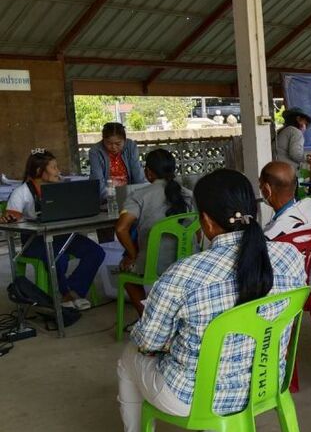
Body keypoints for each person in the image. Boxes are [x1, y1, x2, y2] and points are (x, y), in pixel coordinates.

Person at [116, 169, 306, 432]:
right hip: (265, 385)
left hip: (190, 397)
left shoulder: (184, 274)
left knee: (128, 358)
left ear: (205, 221)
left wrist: (170, 338)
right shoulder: (289, 257)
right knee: (229, 357)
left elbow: (149, 343)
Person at [1, 149, 104, 311]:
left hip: (62, 236)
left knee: (96, 252)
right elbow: (11, 218)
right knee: (58, 258)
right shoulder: (21, 192)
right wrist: (9, 218)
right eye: (54, 167)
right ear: (39, 171)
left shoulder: (61, 189)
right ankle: (65, 295)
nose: (58, 171)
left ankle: (74, 290)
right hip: (34, 241)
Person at [115, 149, 194, 315]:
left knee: (124, 269)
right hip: (189, 263)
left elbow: (121, 229)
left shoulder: (139, 196)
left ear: (148, 172)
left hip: (154, 265)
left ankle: (147, 317)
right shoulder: (189, 195)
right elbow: (198, 232)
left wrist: (133, 255)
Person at [258, 161, 311, 240]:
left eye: (260, 184)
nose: (260, 187)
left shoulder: (271, 235)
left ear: (267, 189)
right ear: (295, 185)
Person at [88, 122, 146, 196]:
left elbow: (138, 174)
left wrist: (141, 193)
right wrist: (110, 198)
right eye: (109, 143)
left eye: (118, 144)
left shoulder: (131, 146)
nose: (113, 147)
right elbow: (98, 181)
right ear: (103, 140)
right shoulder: (95, 151)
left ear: (124, 140)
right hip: (106, 195)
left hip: (130, 192)